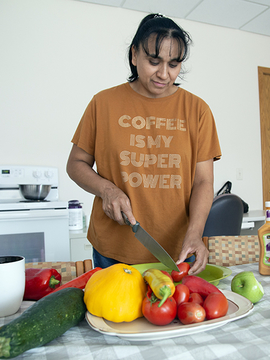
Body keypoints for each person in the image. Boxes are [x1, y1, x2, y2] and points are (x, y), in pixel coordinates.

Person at [67, 13, 221, 275]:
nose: (163, 73)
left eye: (173, 64)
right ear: (134, 55)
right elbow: (75, 164)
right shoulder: (103, 103)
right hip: (113, 251)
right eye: (153, 61)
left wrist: (195, 234)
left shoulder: (197, 110)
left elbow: (203, 182)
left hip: (174, 251)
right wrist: (107, 190)